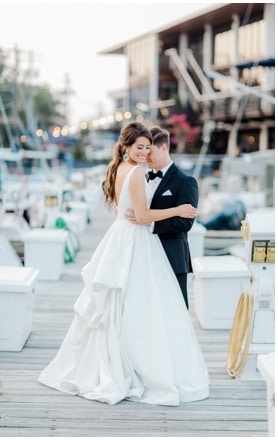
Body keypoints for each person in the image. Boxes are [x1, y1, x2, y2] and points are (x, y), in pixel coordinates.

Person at [38, 121, 209, 406]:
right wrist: (177, 208)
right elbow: (140, 216)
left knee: (124, 304)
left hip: (122, 238)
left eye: (147, 148)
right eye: (139, 147)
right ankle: (137, 366)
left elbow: (127, 211)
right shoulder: (137, 173)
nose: (144, 152)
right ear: (127, 147)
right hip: (135, 239)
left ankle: (124, 360)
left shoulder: (117, 169)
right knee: (140, 306)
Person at [125, 126, 199, 308]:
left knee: (176, 310)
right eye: (144, 149)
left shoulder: (185, 181)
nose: (146, 155)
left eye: (151, 150)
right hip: (145, 255)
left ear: (164, 148)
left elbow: (185, 222)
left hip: (172, 256)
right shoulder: (142, 176)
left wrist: (148, 223)